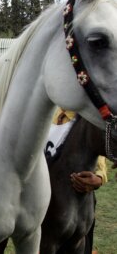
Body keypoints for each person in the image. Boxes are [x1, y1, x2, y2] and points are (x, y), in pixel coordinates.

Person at [51, 108, 107, 254]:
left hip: (79, 191)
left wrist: (99, 178)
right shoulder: (50, 112)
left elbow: (98, 152)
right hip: (48, 191)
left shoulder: (87, 116)